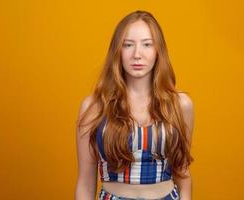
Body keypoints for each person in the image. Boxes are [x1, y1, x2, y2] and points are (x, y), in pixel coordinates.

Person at [75, 10, 195, 200]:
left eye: (147, 44)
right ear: (117, 51)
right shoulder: (95, 107)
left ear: (158, 51)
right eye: (128, 45)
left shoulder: (180, 105)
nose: (137, 55)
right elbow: (85, 183)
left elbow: (183, 173)